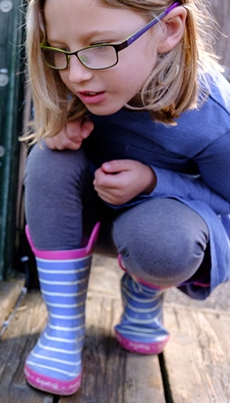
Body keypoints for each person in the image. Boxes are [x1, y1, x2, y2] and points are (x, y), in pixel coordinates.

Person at [22, 0, 229, 396]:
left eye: (101, 46)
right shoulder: (67, 74)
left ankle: (144, 291)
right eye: (59, 51)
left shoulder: (214, 116)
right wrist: (57, 131)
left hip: (164, 222)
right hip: (90, 214)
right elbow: (55, 96)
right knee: (49, 160)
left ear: (168, 30)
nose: (76, 74)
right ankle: (63, 328)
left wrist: (155, 181)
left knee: (163, 244)